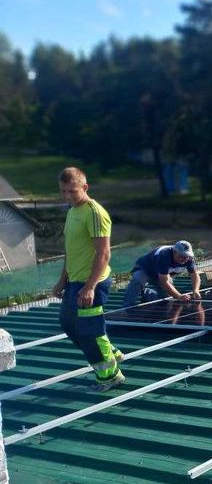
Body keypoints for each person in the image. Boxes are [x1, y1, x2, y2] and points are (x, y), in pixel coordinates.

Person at [51, 167, 124, 392]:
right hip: (75, 281)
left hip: (92, 283)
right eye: (63, 191)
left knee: (89, 331)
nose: (68, 196)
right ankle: (111, 353)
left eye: (72, 191)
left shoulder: (94, 212)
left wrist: (90, 286)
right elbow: (71, 250)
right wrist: (62, 279)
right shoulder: (72, 211)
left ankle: (110, 375)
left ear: (85, 187)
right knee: (68, 322)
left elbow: (103, 253)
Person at [124, 241, 202, 306]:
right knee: (137, 280)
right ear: (174, 252)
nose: (185, 259)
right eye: (182, 256)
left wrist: (196, 290)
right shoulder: (164, 256)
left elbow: (194, 274)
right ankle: (127, 308)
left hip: (162, 274)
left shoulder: (188, 258)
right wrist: (179, 296)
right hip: (144, 269)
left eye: (186, 256)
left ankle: (147, 294)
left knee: (166, 299)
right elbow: (164, 282)